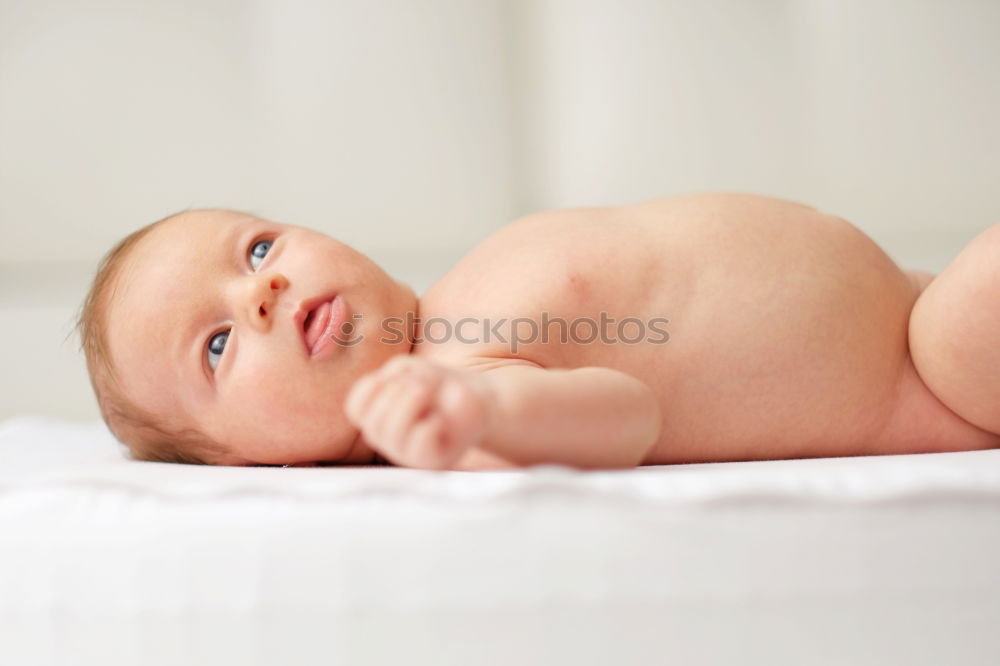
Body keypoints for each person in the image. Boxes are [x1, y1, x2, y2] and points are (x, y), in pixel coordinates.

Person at [77, 193, 1000, 470]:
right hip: (937, 378)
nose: (264, 293)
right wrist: (478, 409)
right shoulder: (458, 392)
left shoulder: (454, 298)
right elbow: (624, 416)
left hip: (915, 301)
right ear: (247, 463)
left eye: (257, 248)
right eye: (218, 345)